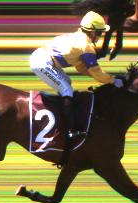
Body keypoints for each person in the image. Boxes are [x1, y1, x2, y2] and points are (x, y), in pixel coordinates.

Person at [30, 12, 116, 149]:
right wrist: (112, 80)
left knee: (67, 83)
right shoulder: (86, 46)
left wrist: (103, 77)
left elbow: (81, 68)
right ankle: (70, 130)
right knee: (66, 89)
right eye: (100, 33)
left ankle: (62, 111)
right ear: (92, 32)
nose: (100, 36)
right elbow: (95, 71)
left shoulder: (79, 38)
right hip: (42, 62)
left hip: (43, 58)